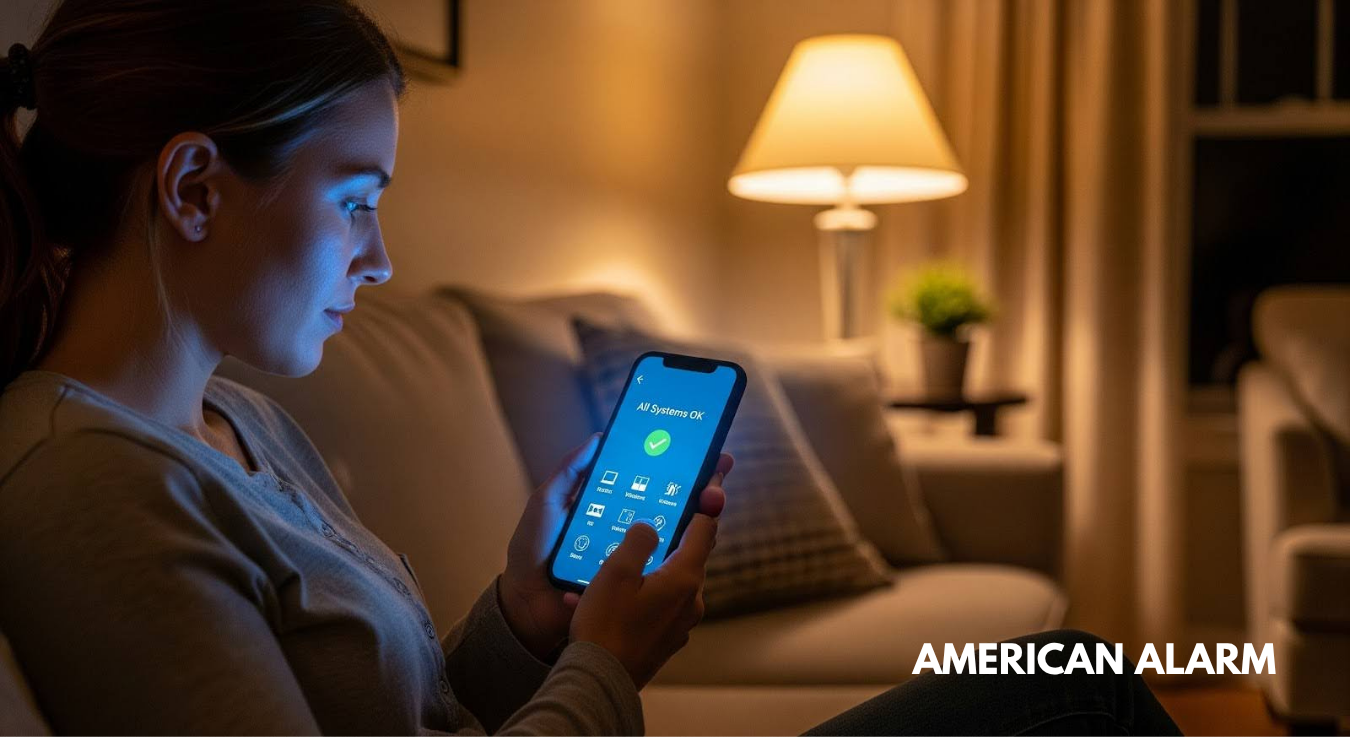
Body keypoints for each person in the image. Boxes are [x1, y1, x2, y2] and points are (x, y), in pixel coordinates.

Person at [0, 1, 1182, 734]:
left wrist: (525, 619)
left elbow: (422, 716)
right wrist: (609, 663)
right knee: (1080, 695)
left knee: (1073, 674)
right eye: (356, 200)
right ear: (193, 187)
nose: (380, 256)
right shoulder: (89, 490)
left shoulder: (241, 420)